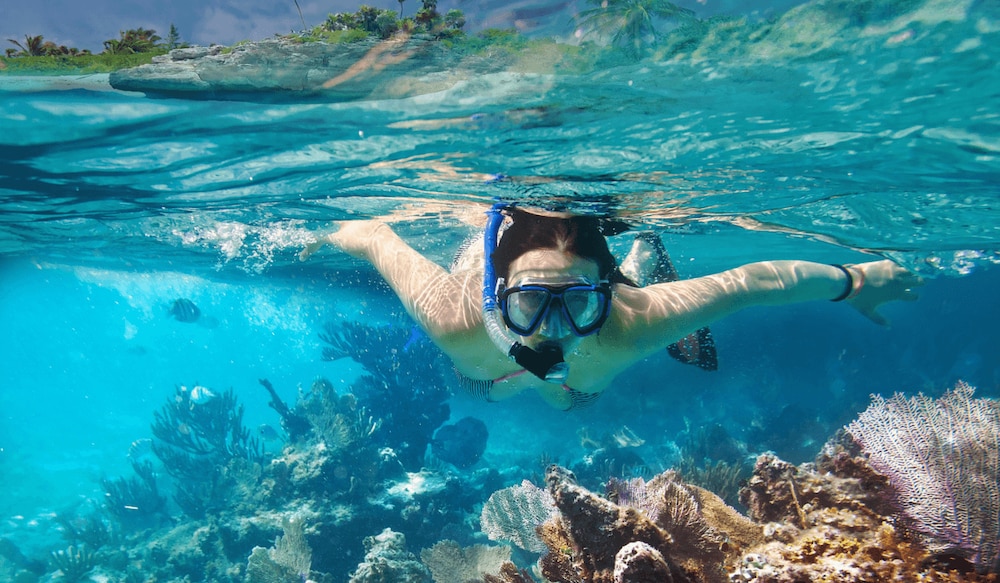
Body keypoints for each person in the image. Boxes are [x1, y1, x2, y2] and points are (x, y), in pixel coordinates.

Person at [300, 204, 922, 411]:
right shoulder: (454, 318)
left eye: (577, 305)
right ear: (497, 297)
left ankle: (640, 261)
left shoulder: (630, 321)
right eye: (530, 304)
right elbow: (377, 234)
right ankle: (636, 266)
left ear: (607, 295)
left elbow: (753, 281)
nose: (552, 330)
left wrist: (855, 280)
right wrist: (323, 234)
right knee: (493, 386)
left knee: (568, 396)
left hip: (593, 340)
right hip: (486, 372)